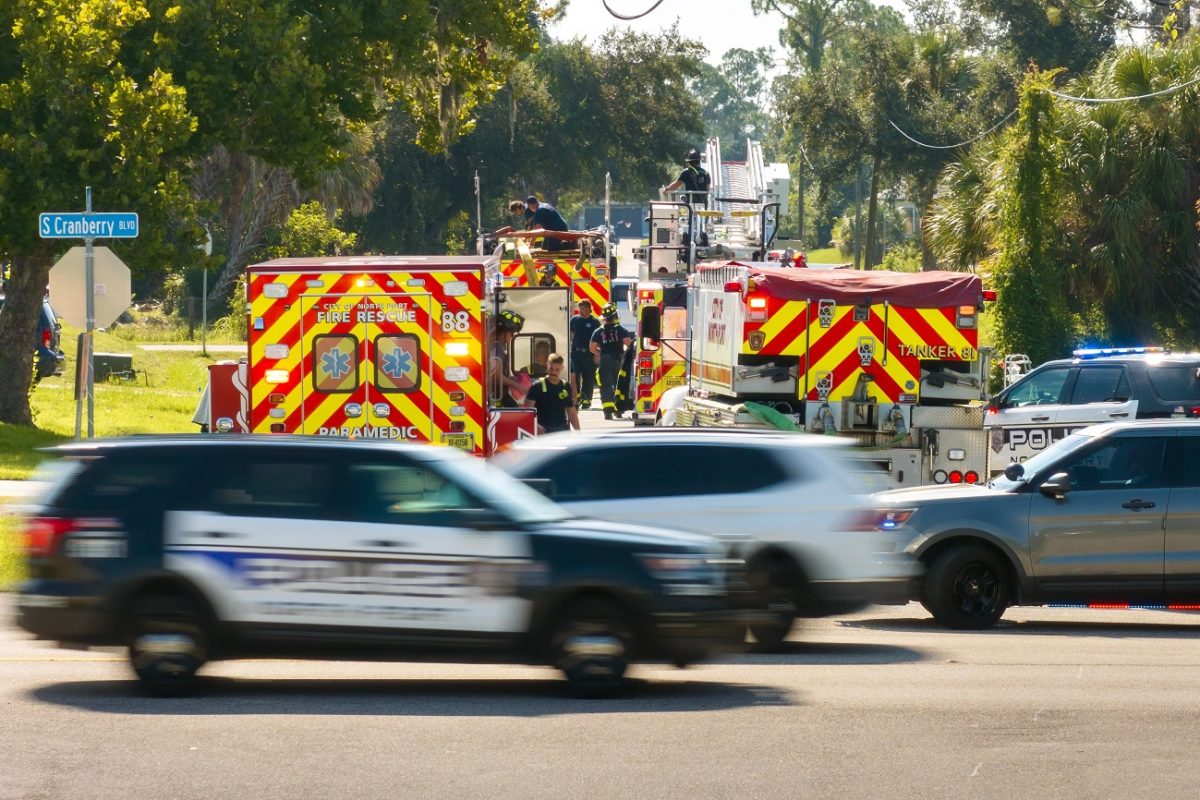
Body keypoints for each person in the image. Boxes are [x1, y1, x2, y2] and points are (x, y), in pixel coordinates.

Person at [590, 302, 632, 420]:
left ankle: (608, 412)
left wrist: (602, 353)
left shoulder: (598, 331)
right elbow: (629, 344)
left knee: (605, 385)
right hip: (619, 359)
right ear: (615, 316)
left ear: (604, 318)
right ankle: (618, 411)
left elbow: (592, 348)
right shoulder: (621, 329)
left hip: (605, 360)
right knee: (619, 385)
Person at [525, 353, 580, 434]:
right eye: (551, 369)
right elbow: (527, 411)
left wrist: (579, 433)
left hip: (562, 430)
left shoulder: (566, 386)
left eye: (557, 369)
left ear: (562, 368)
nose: (553, 372)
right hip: (543, 431)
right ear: (547, 366)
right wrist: (535, 425)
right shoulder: (537, 386)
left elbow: (572, 413)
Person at [489, 309, 528, 408]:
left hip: (501, 395)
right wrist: (516, 385)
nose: (512, 337)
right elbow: (496, 376)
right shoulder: (496, 349)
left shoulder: (499, 348)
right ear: (504, 332)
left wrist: (513, 379)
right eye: (512, 333)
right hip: (497, 397)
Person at [569, 299, 600, 409]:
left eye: (583, 308)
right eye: (580, 308)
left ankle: (586, 400)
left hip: (588, 354)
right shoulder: (574, 320)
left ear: (588, 309)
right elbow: (570, 334)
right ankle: (576, 398)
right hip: (575, 353)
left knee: (588, 377)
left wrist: (597, 353)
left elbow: (598, 340)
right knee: (575, 376)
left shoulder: (595, 322)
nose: (580, 311)